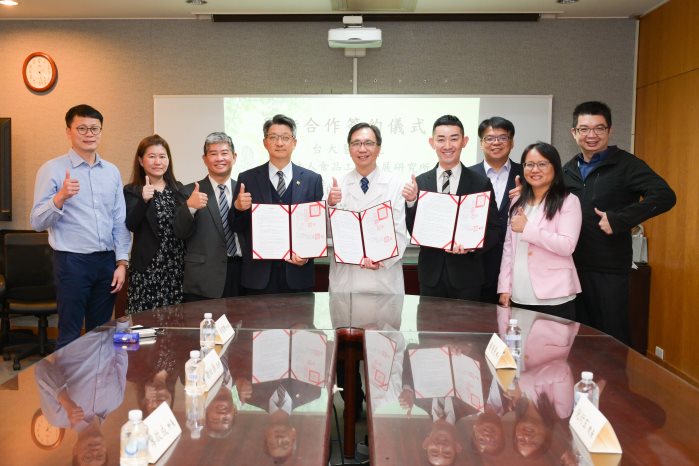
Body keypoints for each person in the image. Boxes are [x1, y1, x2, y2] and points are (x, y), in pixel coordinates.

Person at [564, 101, 676, 344]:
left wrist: (619, 220)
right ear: (574, 132)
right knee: (578, 341)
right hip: (572, 268)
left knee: (611, 341)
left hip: (610, 270)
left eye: (599, 128)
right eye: (584, 129)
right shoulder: (568, 169)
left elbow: (665, 196)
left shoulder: (626, 164)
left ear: (610, 131)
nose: (591, 135)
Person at [30, 104, 131, 349]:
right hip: (72, 261)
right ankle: (68, 376)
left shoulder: (111, 172)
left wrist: (122, 262)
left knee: (101, 333)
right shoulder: (52, 169)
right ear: (69, 131)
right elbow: (37, 222)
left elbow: (119, 220)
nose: (89, 134)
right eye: (82, 128)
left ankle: (97, 376)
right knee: (70, 335)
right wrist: (60, 197)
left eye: (95, 128)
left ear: (101, 132)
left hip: (106, 262)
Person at [403, 115, 501, 300]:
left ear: (464, 141)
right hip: (431, 277)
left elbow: (494, 229)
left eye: (454, 139)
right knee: (428, 320)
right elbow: (413, 229)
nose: (447, 146)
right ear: (432, 142)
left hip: (468, 276)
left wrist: (472, 246)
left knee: (466, 321)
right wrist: (411, 202)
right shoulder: (421, 182)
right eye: (441, 139)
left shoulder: (480, 183)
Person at [233, 114, 323, 294]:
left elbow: (316, 229)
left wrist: (307, 256)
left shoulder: (312, 180)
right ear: (265, 142)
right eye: (273, 137)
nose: (279, 143)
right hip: (258, 277)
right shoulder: (247, 178)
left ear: (294, 142)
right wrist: (238, 209)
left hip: (298, 274)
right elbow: (236, 226)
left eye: (285, 137)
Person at [497, 142, 582, 320]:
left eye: (542, 164)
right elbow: (508, 248)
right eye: (529, 164)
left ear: (555, 167)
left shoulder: (568, 201)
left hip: (554, 294)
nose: (535, 170)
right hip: (519, 293)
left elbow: (567, 246)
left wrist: (527, 229)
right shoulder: (517, 201)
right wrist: (505, 287)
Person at [326, 122, 408, 294]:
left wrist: (383, 260)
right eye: (356, 143)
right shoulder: (336, 185)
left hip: (384, 279)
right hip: (346, 281)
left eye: (368, 143)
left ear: (379, 148)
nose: (362, 149)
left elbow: (400, 233)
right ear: (349, 149)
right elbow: (324, 233)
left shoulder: (396, 185)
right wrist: (330, 204)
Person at [174, 132, 243, 301]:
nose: (219, 158)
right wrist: (190, 207)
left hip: (242, 275)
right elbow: (180, 232)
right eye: (213, 154)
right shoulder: (189, 192)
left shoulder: (244, 191)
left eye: (224, 153)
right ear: (205, 159)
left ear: (234, 157)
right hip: (204, 279)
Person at [123, 134, 186, 313]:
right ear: (141, 161)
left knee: (175, 321)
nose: (158, 162)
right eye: (151, 156)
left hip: (176, 268)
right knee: (145, 322)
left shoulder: (179, 189)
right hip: (147, 270)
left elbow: (186, 226)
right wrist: (143, 201)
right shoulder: (132, 190)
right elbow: (131, 225)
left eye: (162, 156)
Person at [469, 117, 523, 303]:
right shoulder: (467, 175)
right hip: (477, 264)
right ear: (481, 143)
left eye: (502, 138)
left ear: (512, 142)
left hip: (517, 262)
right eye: (490, 138)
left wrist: (528, 195)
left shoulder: (528, 175)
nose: (496, 143)